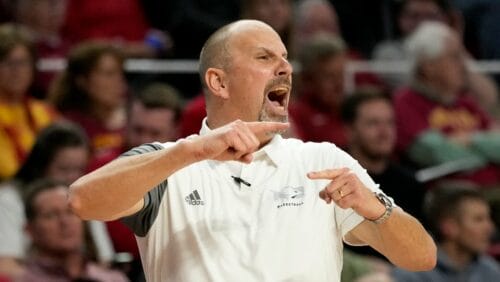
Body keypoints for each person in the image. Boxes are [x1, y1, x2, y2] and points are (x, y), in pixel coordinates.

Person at [69, 20, 436, 282]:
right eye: (265, 58)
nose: (286, 68)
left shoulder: (323, 159)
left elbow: (421, 258)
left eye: (285, 57)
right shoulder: (168, 161)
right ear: (219, 81)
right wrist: (191, 152)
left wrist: (376, 210)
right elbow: (82, 201)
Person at [394, 22, 500, 187]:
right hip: (451, 196)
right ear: (429, 66)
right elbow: (436, 154)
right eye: (454, 57)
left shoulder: (465, 102)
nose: (463, 65)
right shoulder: (406, 102)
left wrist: (469, 139)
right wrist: (487, 149)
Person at [0, 121, 90, 280]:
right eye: (64, 169)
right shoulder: (9, 199)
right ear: (40, 166)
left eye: (79, 169)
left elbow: (104, 260)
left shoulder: (84, 196)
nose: (73, 178)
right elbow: (5, 267)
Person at [20, 178, 128, 282]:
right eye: (51, 215)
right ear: (30, 230)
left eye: (70, 212)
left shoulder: (113, 278)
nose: (65, 222)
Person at [392, 185, 500, 281]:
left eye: (488, 218)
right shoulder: (411, 275)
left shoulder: (490, 271)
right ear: (449, 227)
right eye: (478, 220)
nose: (490, 227)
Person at [49, 41, 128, 170]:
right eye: (109, 74)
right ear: (82, 81)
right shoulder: (66, 125)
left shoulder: (135, 120)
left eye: (120, 73)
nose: (119, 81)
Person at [0, 23, 58, 180]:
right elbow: (7, 170)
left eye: (23, 62)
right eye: (8, 62)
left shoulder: (44, 111)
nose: (16, 71)